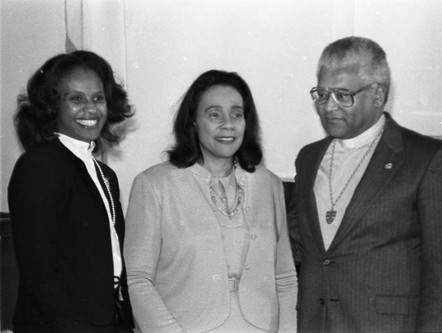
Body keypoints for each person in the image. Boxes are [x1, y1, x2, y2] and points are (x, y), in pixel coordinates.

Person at [288, 36, 442, 332]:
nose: (328, 106)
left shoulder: (428, 159)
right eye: (321, 93)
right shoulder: (308, 159)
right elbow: (300, 247)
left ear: (377, 94)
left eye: (342, 94)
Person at [124, 69, 297, 333]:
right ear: (193, 121)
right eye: (214, 114)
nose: (228, 124)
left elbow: (284, 277)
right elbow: (138, 279)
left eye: (237, 114)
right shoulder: (154, 185)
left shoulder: (269, 184)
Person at [8, 50, 135, 333]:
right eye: (76, 99)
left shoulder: (105, 175)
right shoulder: (39, 165)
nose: (90, 109)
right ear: (52, 106)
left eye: (98, 98)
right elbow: (39, 274)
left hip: (106, 321)